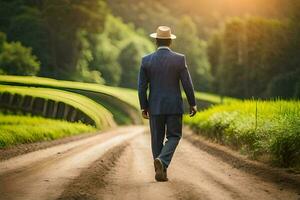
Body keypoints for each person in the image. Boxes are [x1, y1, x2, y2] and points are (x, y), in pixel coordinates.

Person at [138, 26, 197, 182]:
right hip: (173, 106)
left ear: (156, 41)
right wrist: (192, 103)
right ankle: (163, 165)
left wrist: (144, 106)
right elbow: (187, 84)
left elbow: (141, 87)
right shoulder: (179, 59)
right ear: (170, 41)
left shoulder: (146, 61)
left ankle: (161, 169)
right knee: (174, 136)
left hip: (155, 106)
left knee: (156, 139)